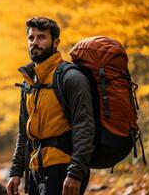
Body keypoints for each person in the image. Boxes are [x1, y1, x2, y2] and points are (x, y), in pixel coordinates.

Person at [6, 17, 95, 195]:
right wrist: (16, 171)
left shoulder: (70, 78)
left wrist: (76, 173)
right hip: (36, 167)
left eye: (41, 37)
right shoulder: (30, 81)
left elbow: (84, 126)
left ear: (56, 43)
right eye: (31, 38)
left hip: (64, 167)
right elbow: (24, 132)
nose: (35, 43)